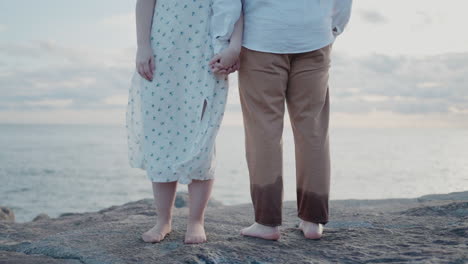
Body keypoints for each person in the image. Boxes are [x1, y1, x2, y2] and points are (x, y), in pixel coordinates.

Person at [234, 0, 353, 240]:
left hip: (261, 37)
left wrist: (224, 40)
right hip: (314, 35)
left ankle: (267, 223)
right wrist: (332, 28)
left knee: (263, 130)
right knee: (313, 129)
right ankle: (313, 221)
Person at [126, 0, 243, 244]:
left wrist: (235, 47)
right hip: (162, 53)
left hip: (206, 56)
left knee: (201, 139)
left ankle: (196, 221)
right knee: (158, 137)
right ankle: (163, 221)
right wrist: (143, 46)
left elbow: (237, 6)